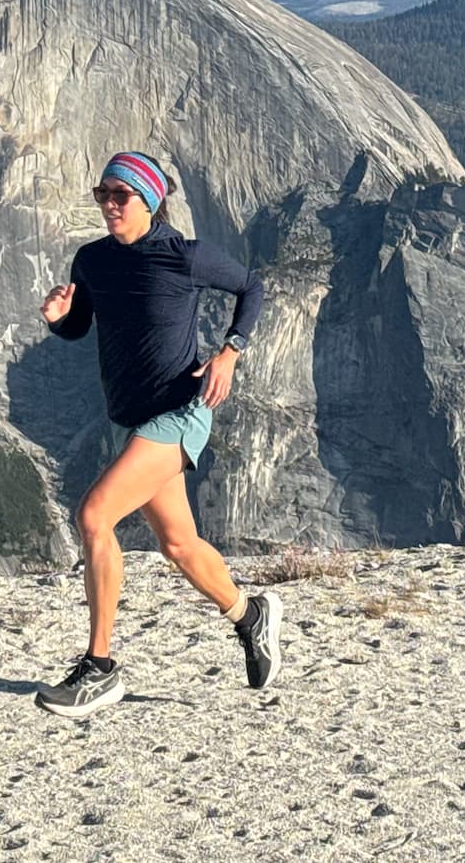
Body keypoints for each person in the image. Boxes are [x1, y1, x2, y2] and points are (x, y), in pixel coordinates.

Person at [33, 150, 280, 718]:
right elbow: (82, 327)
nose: (109, 205)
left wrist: (230, 353)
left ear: (150, 201)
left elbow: (253, 287)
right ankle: (250, 615)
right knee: (177, 545)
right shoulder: (91, 261)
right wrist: (58, 319)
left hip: (179, 411)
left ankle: (98, 668)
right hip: (132, 417)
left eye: (121, 196)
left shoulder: (183, 256)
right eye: (103, 194)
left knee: (94, 515)